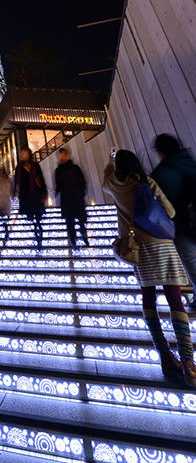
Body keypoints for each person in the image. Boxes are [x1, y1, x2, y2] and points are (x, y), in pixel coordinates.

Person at [103, 149, 196, 386]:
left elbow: (105, 177)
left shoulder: (113, 184)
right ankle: (188, 364)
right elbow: (171, 212)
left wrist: (110, 163)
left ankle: (165, 357)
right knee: (175, 299)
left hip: (138, 250)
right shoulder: (146, 182)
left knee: (148, 299)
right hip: (161, 245)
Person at [151, 133, 196, 309]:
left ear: (161, 151)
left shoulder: (163, 172)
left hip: (184, 226)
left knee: (191, 262)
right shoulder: (190, 162)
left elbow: (158, 201)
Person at [55, 147, 89, 247]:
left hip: (75, 198)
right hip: (69, 199)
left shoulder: (73, 168)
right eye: (60, 156)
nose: (61, 158)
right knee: (72, 222)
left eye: (62, 156)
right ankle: (75, 241)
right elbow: (58, 184)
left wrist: (81, 192)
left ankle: (82, 238)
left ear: (66, 155)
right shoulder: (60, 170)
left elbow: (81, 181)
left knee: (78, 221)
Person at [13, 147, 47, 249]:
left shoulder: (35, 166)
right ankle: (36, 234)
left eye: (24, 153)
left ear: (29, 154)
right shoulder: (19, 168)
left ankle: (38, 235)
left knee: (37, 217)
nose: (22, 155)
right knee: (31, 218)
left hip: (35, 195)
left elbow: (40, 178)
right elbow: (16, 181)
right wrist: (14, 191)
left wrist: (43, 192)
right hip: (25, 197)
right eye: (21, 153)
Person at [0, 166, 12, 236]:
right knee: (2, 215)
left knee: (6, 214)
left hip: (5, 199)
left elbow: (10, 189)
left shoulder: (6, 180)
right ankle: (5, 227)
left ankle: (6, 227)